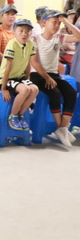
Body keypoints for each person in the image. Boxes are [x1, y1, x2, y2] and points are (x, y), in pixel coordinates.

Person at [30, 9, 80, 147]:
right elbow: (34, 62)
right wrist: (46, 77)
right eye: (54, 22)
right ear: (44, 22)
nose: (57, 25)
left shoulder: (59, 38)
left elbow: (79, 37)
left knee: (71, 92)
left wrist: (66, 22)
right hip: (38, 75)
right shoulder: (35, 39)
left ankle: (62, 128)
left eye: (59, 23)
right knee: (55, 93)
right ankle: (60, 128)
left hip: (54, 75)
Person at [0, 18, 39, 131]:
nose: (24, 34)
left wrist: (27, 79)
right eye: (21, 31)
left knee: (34, 89)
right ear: (14, 32)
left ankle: (21, 114)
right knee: (25, 90)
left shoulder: (30, 44)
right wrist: (3, 88)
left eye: (28, 31)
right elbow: (8, 67)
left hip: (20, 78)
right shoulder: (12, 44)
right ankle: (13, 116)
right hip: (7, 78)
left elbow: (28, 64)